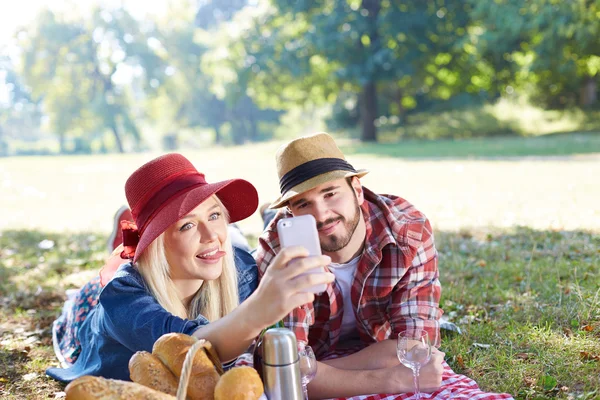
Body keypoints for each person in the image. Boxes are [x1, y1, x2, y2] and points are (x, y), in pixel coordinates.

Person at [255, 133, 512, 399]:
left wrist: (317, 372)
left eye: (330, 194)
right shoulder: (278, 249)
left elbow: (414, 351)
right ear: (290, 212)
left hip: (367, 341)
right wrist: (387, 379)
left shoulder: (408, 230)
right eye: (303, 204)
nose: (321, 214)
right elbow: (283, 375)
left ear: (356, 190)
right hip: (334, 346)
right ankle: (266, 217)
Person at [47, 153, 334, 383]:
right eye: (187, 225)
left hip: (192, 263)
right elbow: (190, 349)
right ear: (157, 243)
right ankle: (120, 241)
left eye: (215, 214)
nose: (211, 235)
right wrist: (262, 308)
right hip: (95, 312)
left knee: (226, 246)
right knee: (89, 294)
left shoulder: (240, 267)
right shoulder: (122, 297)